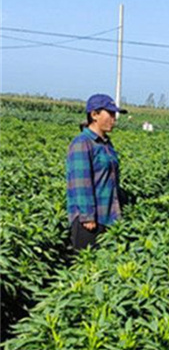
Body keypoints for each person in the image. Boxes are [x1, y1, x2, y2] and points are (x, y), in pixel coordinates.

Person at [66, 94, 127, 252]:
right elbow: (81, 182)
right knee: (88, 269)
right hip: (91, 222)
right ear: (94, 115)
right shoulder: (82, 143)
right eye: (111, 114)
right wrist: (87, 217)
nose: (114, 119)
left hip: (109, 218)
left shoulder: (106, 143)